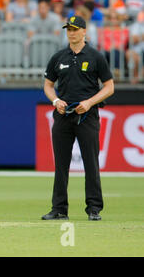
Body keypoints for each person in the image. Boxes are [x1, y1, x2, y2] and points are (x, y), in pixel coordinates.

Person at [42, 15, 114, 221]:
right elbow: (48, 84)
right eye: (69, 29)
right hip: (63, 115)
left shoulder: (95, 56)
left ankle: (94, 208)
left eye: (75, 29)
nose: (71, 33)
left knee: (90, 162)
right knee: (61, 164)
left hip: (87, 116)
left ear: (84, 31)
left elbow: (109, 86)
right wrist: (56, 101)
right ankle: (59, 209)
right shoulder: (58, 57)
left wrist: (90, 102)